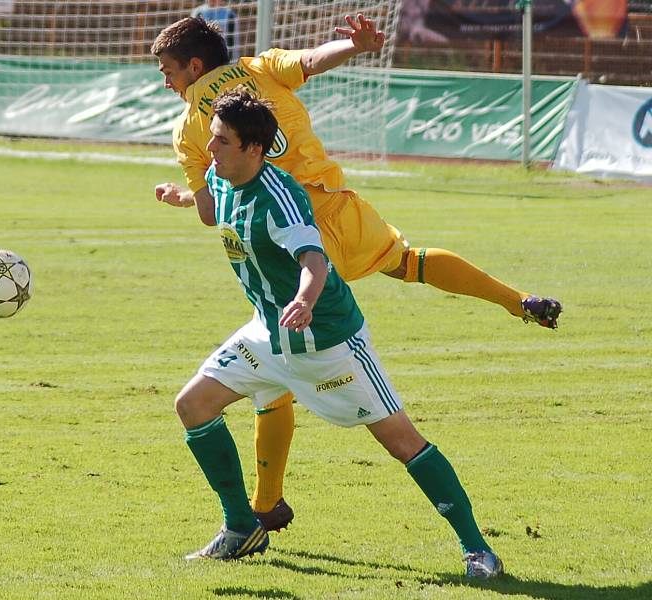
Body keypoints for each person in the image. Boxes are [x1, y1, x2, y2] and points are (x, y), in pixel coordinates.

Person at [152, 14, 562, 533]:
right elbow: (311, 61)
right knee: (410, 262)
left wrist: (186, 198)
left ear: (193, 66)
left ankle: (264, 503)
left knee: (273, 380)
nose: (166, 82)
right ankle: (516, 299)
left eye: (168, 70)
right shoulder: (261, 68)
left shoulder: (191, 126)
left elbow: (216, 205)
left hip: (284, 235)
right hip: (336, 211)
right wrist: (355, 45)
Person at [176, 87, 503, 579]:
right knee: (192, 405)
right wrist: (180, 196)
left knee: (401, 442)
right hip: (268, 335)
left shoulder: (280, 196)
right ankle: (242, 526)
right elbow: (217, 206)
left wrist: (305, 300)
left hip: (327, 342)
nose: (211, 149)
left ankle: (479, 551)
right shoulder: (220, 179)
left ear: (253, 149)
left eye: (221, 141)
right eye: (212, 139)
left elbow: (313, 257)